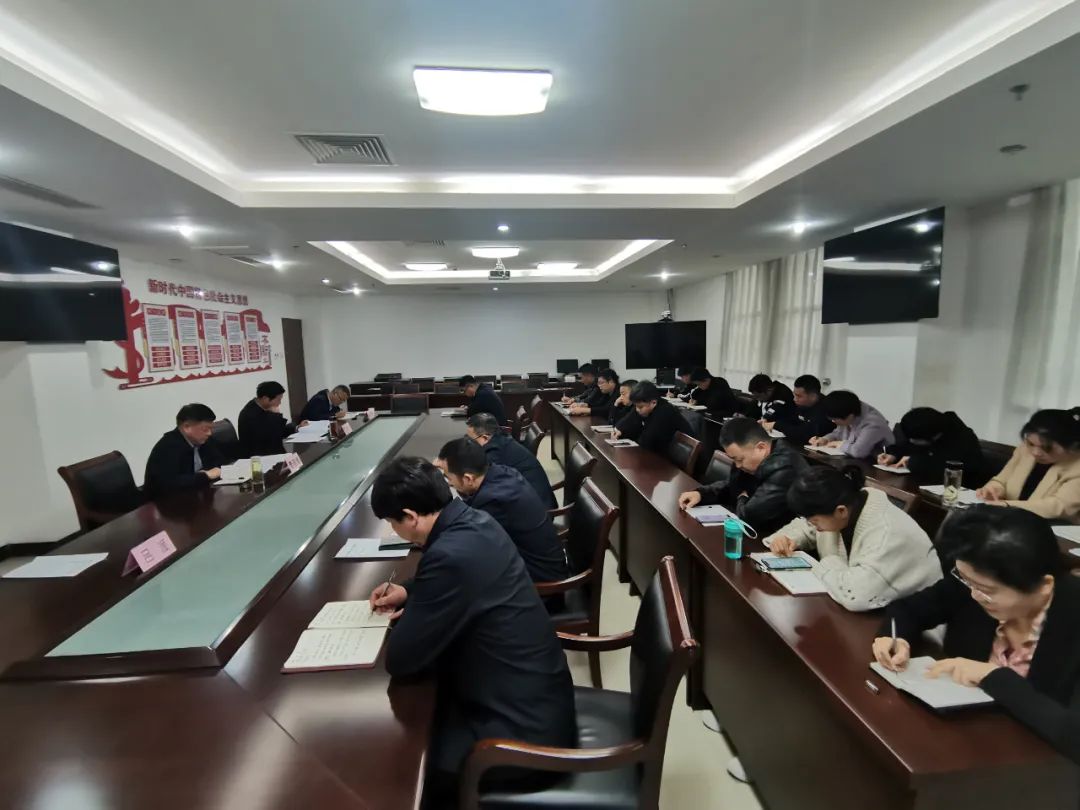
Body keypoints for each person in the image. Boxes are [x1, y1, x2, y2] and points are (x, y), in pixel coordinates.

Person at [368, 457, 576, 803]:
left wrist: (415, 609)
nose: (393, 529)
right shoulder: (475, 521)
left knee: (405, 771)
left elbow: (402, 660)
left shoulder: (449, 555)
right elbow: (456, 580)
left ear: (411, 516)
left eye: (392, 522)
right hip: (538, 699)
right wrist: (408, 590)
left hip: (521, 737)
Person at [872, 507, 1080, 764]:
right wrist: (895, 637)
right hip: (960, 743)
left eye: (986, 590)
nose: (973, 595)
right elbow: (907, 609)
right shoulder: (975, 579)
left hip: (1036, 766)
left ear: (1044, 585)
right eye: (966, 580)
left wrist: (992, 677)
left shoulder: (1071, 616)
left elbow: (1073, 734)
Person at [766, 466, 942, 611]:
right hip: (883, 611)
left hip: (916, 621)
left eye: (814, 521)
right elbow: (809, 526)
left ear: (841, 511)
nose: (813, 526)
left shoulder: (886, 533)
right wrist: (786, 537)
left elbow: (857, 595)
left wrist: (824, 563)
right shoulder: (848, 504)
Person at [437, 438, 569, 585]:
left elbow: (465, 540)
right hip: (546, 565)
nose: (449, 483)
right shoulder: (502, 472)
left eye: (448, 477)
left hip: (541, 582)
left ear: (468, 478)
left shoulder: (491, 500)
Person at [678, 417, 806, 536]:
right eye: (734, 460)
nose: (738, 465)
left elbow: (748, 518)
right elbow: (732, 485)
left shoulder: (785, 468)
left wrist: (742, 498)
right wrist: (701, 494)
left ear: (761, 448)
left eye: (739, 459)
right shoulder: (753, 460)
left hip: (781, 539)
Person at [975, 407, 1080, 522]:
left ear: (1072, 446)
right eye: (1031, 443)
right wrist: (994, 489)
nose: (1036, 452)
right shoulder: (1025, 450)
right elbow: (1001, 480)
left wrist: (1007, 505)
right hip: (1012, 520)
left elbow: (1059, 507)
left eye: (1047, 448)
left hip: (1052, 527)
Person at [466, 412, 556, 508]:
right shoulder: (499, 438)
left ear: (485, 438)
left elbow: (484, 485)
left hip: (537, 507)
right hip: (533, 498)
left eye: (471, 440)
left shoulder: (494, 451)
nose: (468, 443)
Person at [878, 407, 987, 485]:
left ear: (932, 438)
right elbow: (908, 445)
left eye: (915, 440)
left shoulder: (962, 439)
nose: (911, 442)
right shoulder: (927, 427)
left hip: (962, 489)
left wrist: (913, 460)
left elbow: (940, 467)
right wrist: (893, 455)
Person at [144, 403, 225, 496]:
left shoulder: (203, 440)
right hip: (166, 501)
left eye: (211, 429)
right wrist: (205, 476)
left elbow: (219, 461)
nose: (209, 433)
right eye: (205, 429)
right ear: (187, 427)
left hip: (196, 494)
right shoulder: (168, 447)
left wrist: (213, 471)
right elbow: (168, 484)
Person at [613, 380, 696, 452]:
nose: (637, 410)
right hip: (661, 454)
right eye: (635, 406)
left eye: (640, 407)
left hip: (675, 462)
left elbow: (647, 440)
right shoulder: (647, 405)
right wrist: (619, 429)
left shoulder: (664, 412)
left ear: (653, 403)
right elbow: (630, 418)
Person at [810, 390, 894, 459]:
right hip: (854, 460)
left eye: (835, 419)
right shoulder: (847, 409)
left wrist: (839, 444)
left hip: (877, 464)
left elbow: (859, 452)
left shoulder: (872, 423)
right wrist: (825, 439)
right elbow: (838, 433)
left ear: (850, 416)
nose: (833, 421)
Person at [237, 381, 308, 456]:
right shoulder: (250, 415)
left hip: (271, 451)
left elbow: (280, 430)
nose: (280, 403)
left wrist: (298, 427)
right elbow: (274, 436)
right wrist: (275, 415)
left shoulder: (264, 408)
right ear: (265, 398)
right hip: (260, 456)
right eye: (278, 399)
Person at [768, 374, 833, 446]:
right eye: (794, 395)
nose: (794, 399)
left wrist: (777, 425)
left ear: (813, 396)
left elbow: (806, 434)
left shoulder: (826, 409)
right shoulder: (803, 405)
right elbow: (792, 420)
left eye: (799, 396)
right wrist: (773, 423)